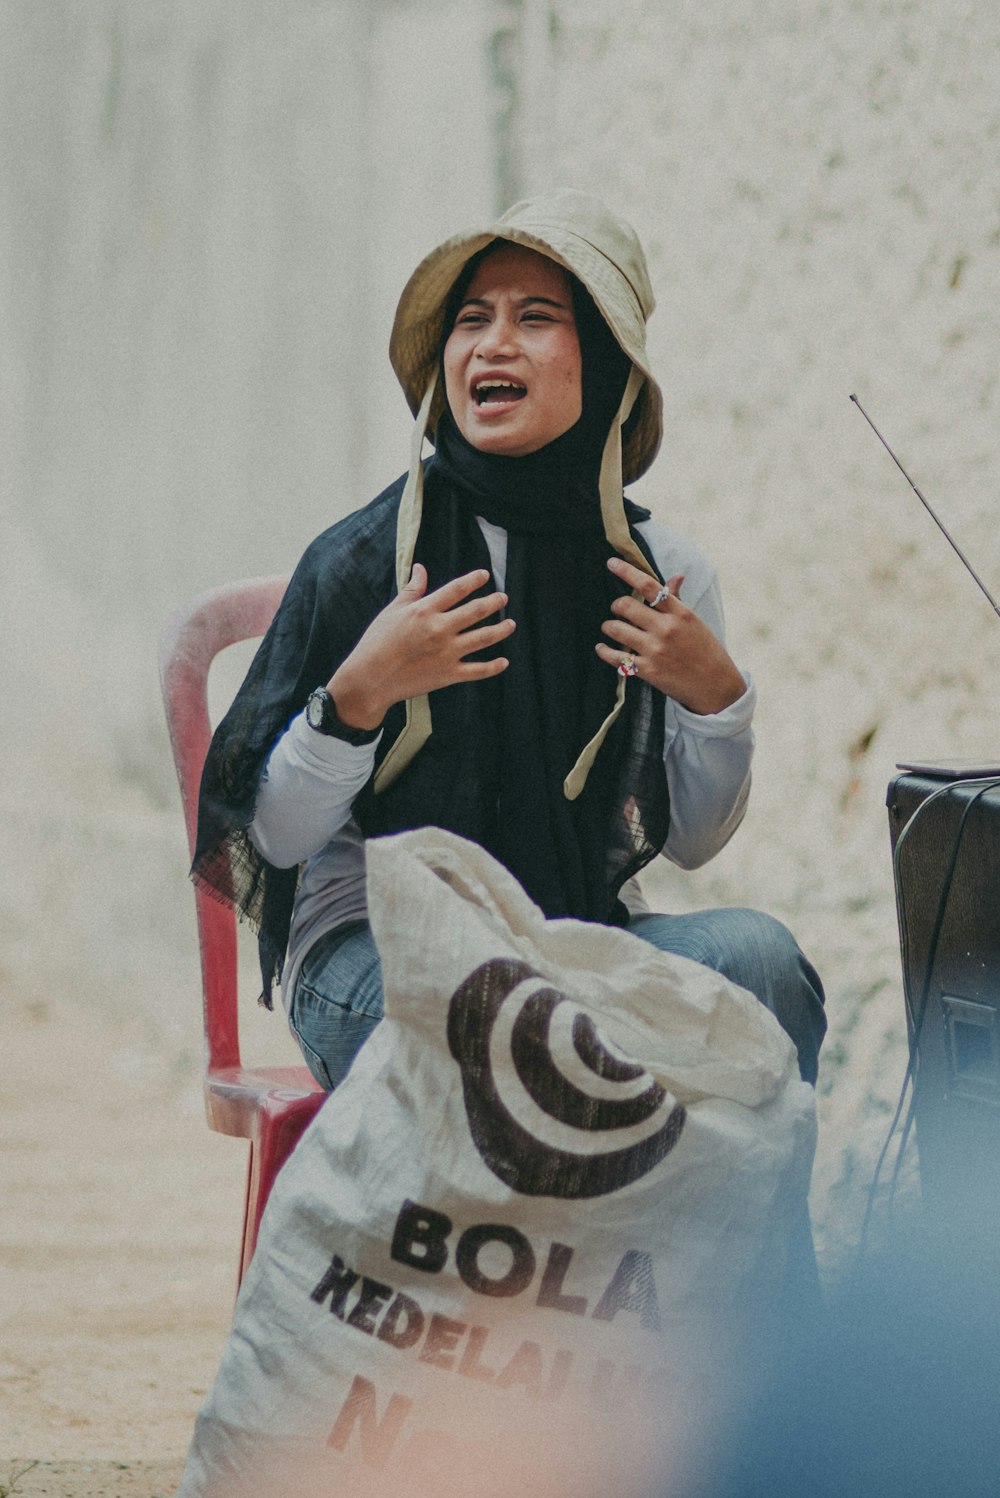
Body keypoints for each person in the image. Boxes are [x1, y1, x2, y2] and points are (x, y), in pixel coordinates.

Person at [193, 188, 826, 1096]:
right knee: (499, 1020)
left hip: (580, 940)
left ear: (600, 363)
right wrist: (359, 696)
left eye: (536, 318)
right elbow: (278, 842)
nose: (491, 344)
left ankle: (733, 1245)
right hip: (373, 955)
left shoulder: (657, 574)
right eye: (471, 320)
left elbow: (692, 844)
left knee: (759, 965)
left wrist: (716, 701)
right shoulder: (369, 561)